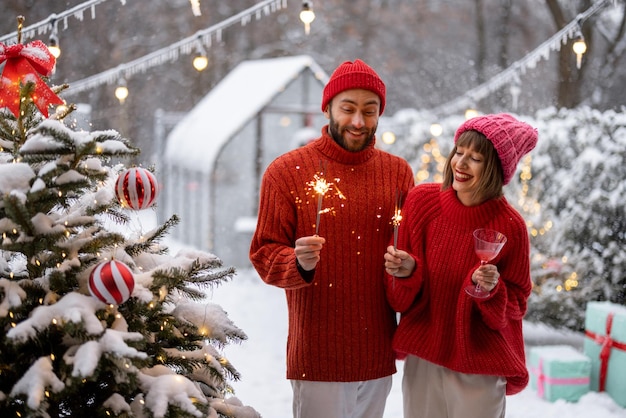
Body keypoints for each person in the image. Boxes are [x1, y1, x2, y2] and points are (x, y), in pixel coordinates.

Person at [249, 59, 415, 418]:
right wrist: (296, 263)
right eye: (348, 109)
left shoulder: (398, 173)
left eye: (369, 111)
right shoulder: (286, 172)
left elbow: (411, 247)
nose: (358, 122)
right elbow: (263, 253)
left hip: (377, 351)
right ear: (327, 108)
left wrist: (407, 266)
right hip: (318, 355)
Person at [383, 113, 538, 418]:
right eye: (459, 152)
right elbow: (396, 295)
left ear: (495, 169)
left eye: (476, 158)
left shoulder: (510, 226)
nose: (460, 164)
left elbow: (516, 305)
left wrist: (491, 290)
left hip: (478, 366)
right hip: (425, 355)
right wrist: (408, 272)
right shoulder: (422, 203)